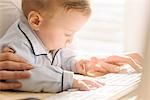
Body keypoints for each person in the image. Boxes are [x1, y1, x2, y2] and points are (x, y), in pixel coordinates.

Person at [0, 0, 142, 92]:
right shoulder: (16, 46)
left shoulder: (43, 35)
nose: (71, 40)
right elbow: (24, 75)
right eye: (68, 34)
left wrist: (76, 62)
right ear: (36, 21)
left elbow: (58, 55)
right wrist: (68, 80)